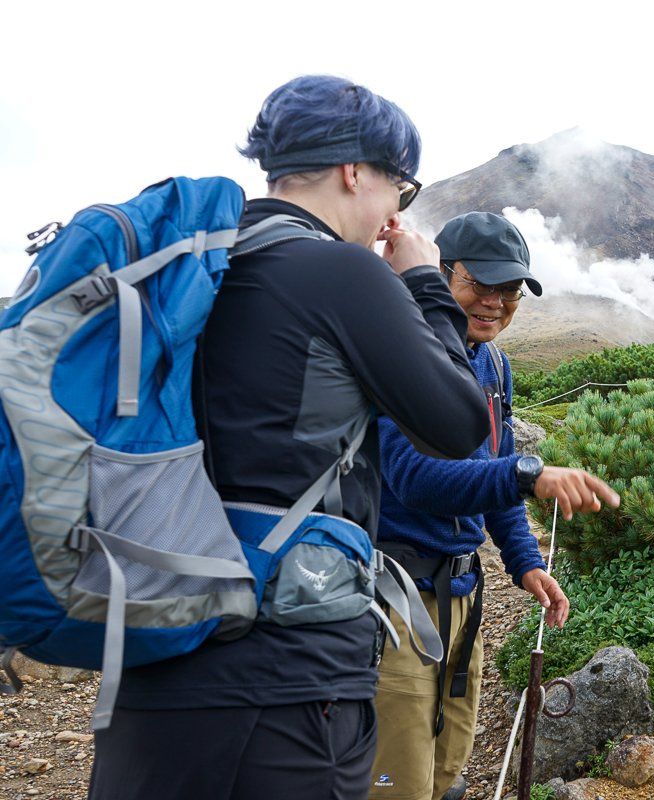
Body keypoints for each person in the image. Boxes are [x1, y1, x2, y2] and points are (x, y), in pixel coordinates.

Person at [88, 76, 491, 800]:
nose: (396, 209)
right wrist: (426, 283)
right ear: (354, 172)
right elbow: (459, 426)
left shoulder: (196, 267)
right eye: (400, 186)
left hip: (151, 644)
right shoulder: (338, 273)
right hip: (286, 673)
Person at [369, 212, 620, 800]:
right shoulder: (408, 353)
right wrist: (528, 476)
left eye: (510, 290)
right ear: (439, 273)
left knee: (447, 773)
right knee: (393, 783)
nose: (496, 302)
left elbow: (493, 468)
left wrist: (525, 562)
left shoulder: (493, 366)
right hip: (396, 600)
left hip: (462, 597)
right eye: (480, 284)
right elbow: (415, 479)